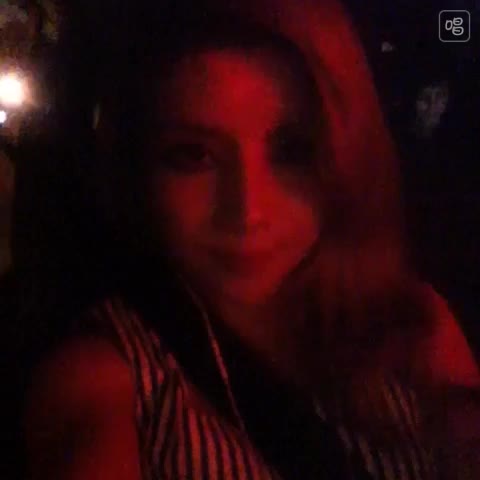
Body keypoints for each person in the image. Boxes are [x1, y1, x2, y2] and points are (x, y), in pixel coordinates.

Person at [22, 0, 480, 479]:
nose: (248, 212)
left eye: (291, 151)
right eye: (194, 155)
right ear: (137, 168)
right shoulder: (109, 380)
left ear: (348, 155)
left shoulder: (411, 328)